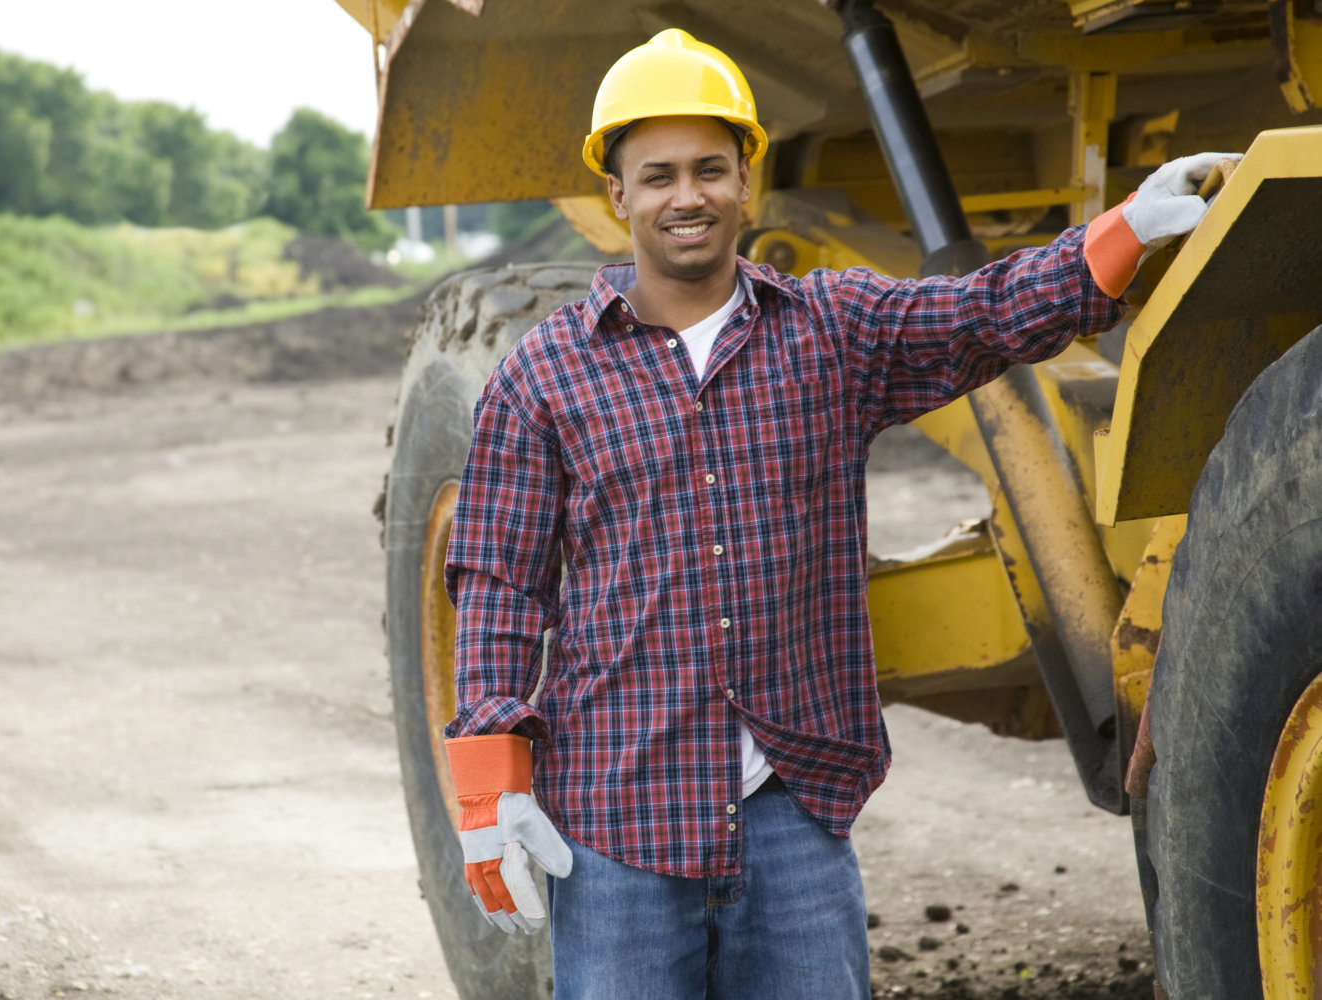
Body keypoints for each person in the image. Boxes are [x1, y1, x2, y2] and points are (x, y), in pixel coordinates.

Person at [439, 27, 1232, 1000]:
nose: (686, 195)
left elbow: (982, 315)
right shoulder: (546, 374)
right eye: (658, 176)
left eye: (709, 169)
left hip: (792, 822)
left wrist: (1124, 235)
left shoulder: (830, 332)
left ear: (745, 183)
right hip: (617, 831)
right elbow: (497, 578)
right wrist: (489, 789)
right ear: (617, 195)